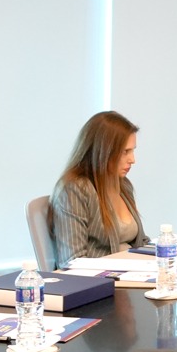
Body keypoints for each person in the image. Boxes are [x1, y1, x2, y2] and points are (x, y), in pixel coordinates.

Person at [51, 111, 147, 268]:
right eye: (125, 152)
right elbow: (72, 262)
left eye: (133, 150)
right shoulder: (75, 190)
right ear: (103, 151)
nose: (132, 160)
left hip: (132, 273)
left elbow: (140, 243)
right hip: (104, 278)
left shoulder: (123, 185)